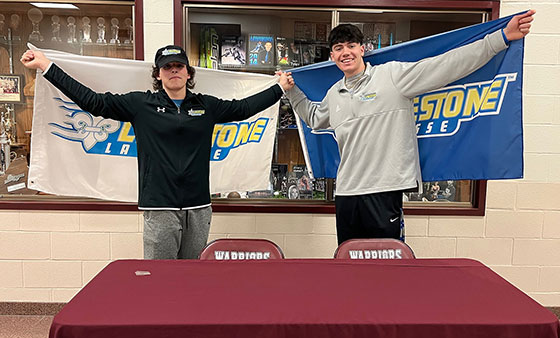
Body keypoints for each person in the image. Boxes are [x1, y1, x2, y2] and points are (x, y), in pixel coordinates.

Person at [284, 11, 535, 245]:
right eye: (338, 48)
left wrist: (500, 38)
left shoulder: (392, 76)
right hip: (347, 193)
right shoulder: (334, 93)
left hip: (384, 191)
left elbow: (446, 65)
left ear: (362, 49)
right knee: (348, 262)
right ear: (332, 56)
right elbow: (315, 118)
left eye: (351, 46)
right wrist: (292, 91)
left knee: (389, 267)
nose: (345, 52)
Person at [21, 45, 294, 259]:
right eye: (167, 67)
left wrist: (279, 88)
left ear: (188, 72)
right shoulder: (141, 104)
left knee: (192, 276)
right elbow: (92, 101)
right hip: (159, 206)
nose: (173, 71)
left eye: (179, 66)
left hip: (198, 207)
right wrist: (47, 66)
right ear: (158, 74)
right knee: (159, 277)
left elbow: (243, 108)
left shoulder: (207, 106)